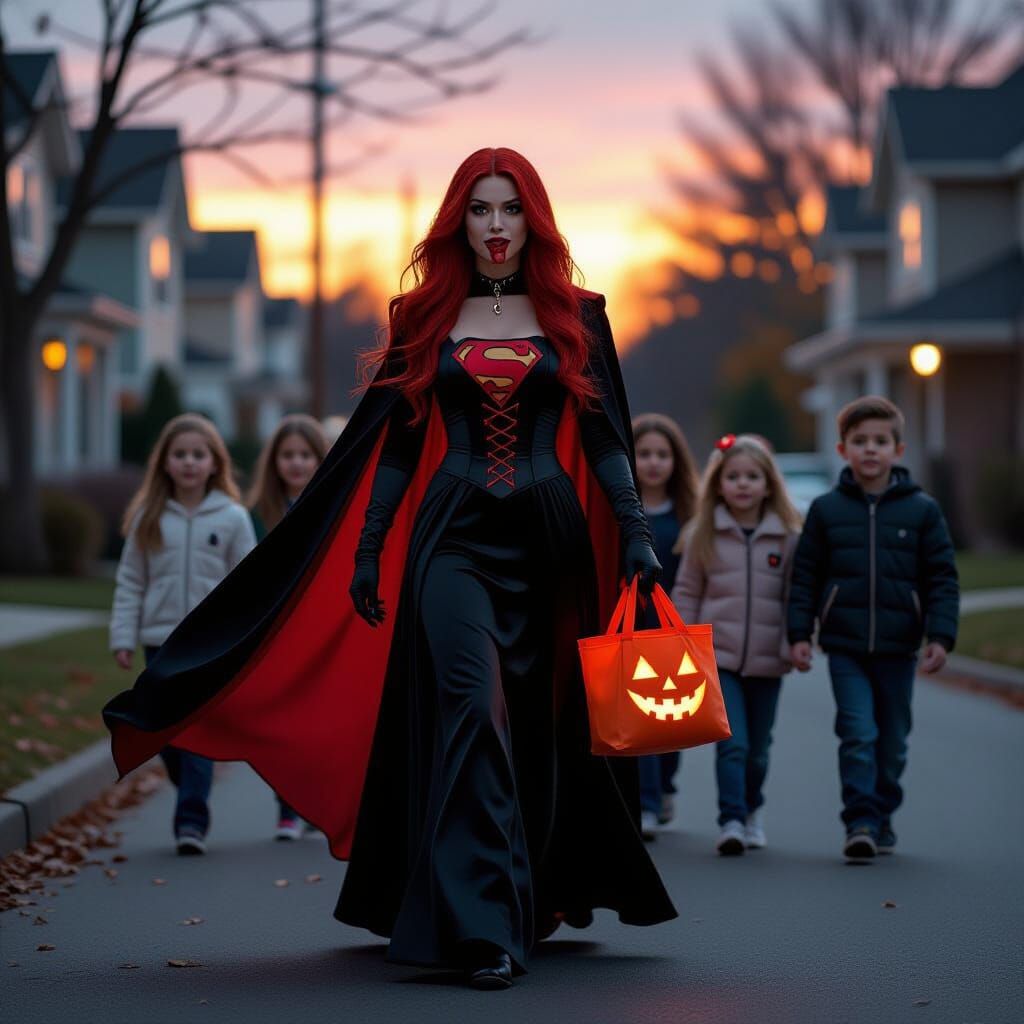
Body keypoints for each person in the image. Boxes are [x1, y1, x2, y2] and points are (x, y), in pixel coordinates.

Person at [103, 148, 677, 989]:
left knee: (542, 731)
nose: (493, 226)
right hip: (452, 538)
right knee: (470, 712)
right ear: (456, 221)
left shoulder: (580, 314)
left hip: (550, 542)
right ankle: (483, 927)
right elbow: (400, 442)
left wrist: (634, 531)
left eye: (508, 210)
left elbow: (603, 435)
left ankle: (524, 896)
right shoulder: (423, 314)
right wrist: (371, 546)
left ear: (533, 220)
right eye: (478, 210)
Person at [787, 397, 959, 862]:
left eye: (880, 442)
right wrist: (800, 635)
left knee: (893, 738)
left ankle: (883, 812)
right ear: (843, 450)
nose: (870, 450)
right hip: (844, 645)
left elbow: (941, 577)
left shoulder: (922, 512)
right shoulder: (826, 510)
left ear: (897, 450)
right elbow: (805, 577)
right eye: (860, 442)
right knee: (858, 731)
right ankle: (860, 820)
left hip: (899, 646)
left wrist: (940, 636)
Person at [109, 413, 256, 855]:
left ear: (214, 463)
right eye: (180, 454)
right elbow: (131, 581)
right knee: (166, 734)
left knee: (198, 731)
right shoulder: (147, 519)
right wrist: (122, 636)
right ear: (165, 463)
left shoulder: (232, 518)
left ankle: (191, 821)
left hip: (209, 648)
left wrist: (245, 639)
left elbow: (248, 583)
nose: (189, 462)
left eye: (198, 454)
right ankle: (188, 786)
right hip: (160, 642)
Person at [673, 434, 803, 855]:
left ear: (769, 484)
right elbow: (687, 591)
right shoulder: (703, 534)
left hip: (770, 659)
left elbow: (795, 597)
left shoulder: (787, 536)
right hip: (718, 657)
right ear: (718, 484)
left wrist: (796, 640)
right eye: (734, 477)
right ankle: (730, 819)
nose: (743, 484)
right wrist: (684, 642)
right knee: (734, 744)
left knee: (759, 750)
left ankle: (752, 811)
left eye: (752, 477)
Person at [247, 414, 329, 840]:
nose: (296, 464)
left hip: (322, 634)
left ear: (320, 460)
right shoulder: (259, 515)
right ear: (274, 462)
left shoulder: (335, 507)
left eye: (305, 455)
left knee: (318, 726)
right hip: (275, 635)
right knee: (282, 726)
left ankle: (317, 803)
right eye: (287, 455)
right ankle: (288, 810)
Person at [631, 413, 699, 840]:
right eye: (644, 453)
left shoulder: (691, 515)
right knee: (643, 724)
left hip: (676, 629)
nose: (653, 463)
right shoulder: (623, 510)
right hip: (629, 628)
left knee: (673, 725)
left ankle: (666, 787)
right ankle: (648, 805)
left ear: (676, 461)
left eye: (662, 454)